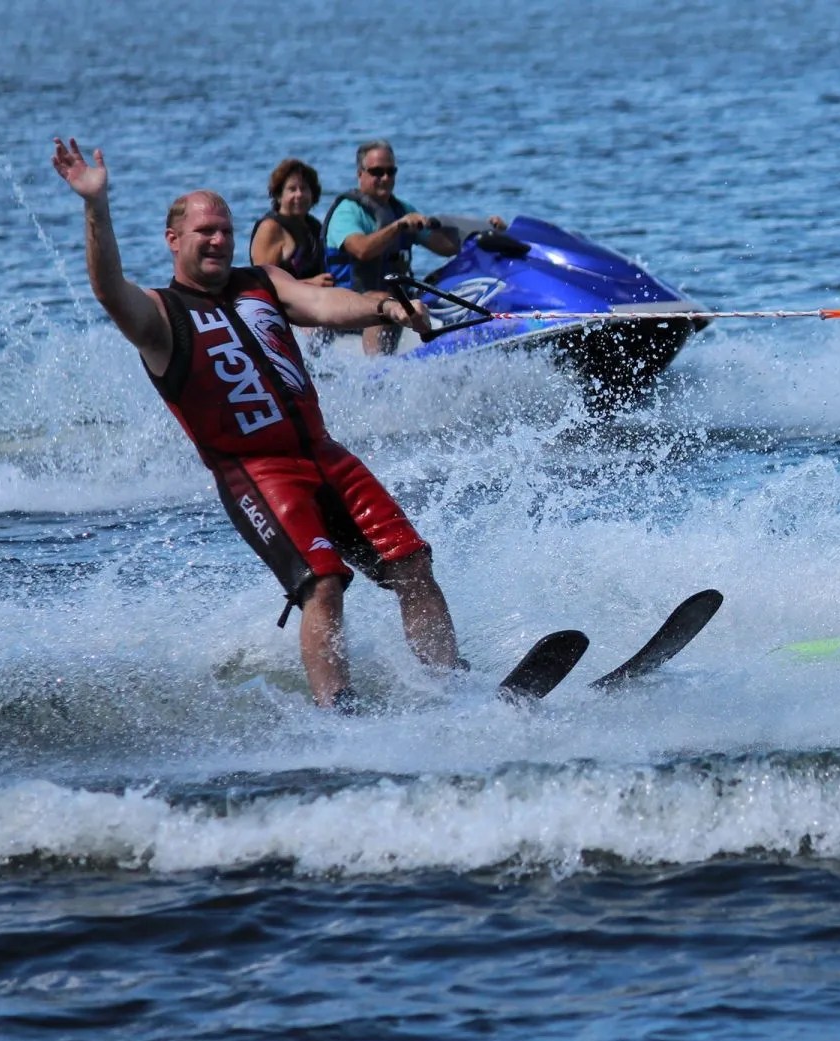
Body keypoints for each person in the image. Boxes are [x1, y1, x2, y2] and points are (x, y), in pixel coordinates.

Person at [51, 137, 462, 710]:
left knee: (412, 562)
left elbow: (325, 306)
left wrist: (385, 306)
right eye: (204, 232)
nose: (219, 240)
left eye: (224, 229)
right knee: (324, 584)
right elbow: (108, 290)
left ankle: (451, 687)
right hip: (259, 474)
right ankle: (340, 714)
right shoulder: (160, 318)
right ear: (174, 242)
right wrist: (95, 206)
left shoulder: (262, 283)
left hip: (323, 453)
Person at [321, 139, 506, 353]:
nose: (385, 178)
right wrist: (397, 227)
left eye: (391, 171)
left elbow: (444, 247)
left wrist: (487, 232)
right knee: (387, 301)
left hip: (395, 297)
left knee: (449, 292)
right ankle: (375, 370)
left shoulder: (401, 208)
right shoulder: (347, 211)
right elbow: (361, 250)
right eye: (377, 172)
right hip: (349, 300)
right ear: (360, 174)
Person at [249, 158, 333, 285]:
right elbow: (263, 283)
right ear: (278, 195)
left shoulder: (314, 226)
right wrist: (310, 283)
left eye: (304, 188)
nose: (299, 194)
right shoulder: (270, 228)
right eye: (292, 189)